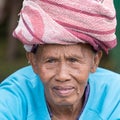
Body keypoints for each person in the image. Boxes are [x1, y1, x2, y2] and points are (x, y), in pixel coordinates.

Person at [0, 0, 120, 119]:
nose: (62, 76)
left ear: (94, 61)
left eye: (73, 60)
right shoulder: (14, 96)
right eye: (51, 61)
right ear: (34, 62)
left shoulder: (115, 96)